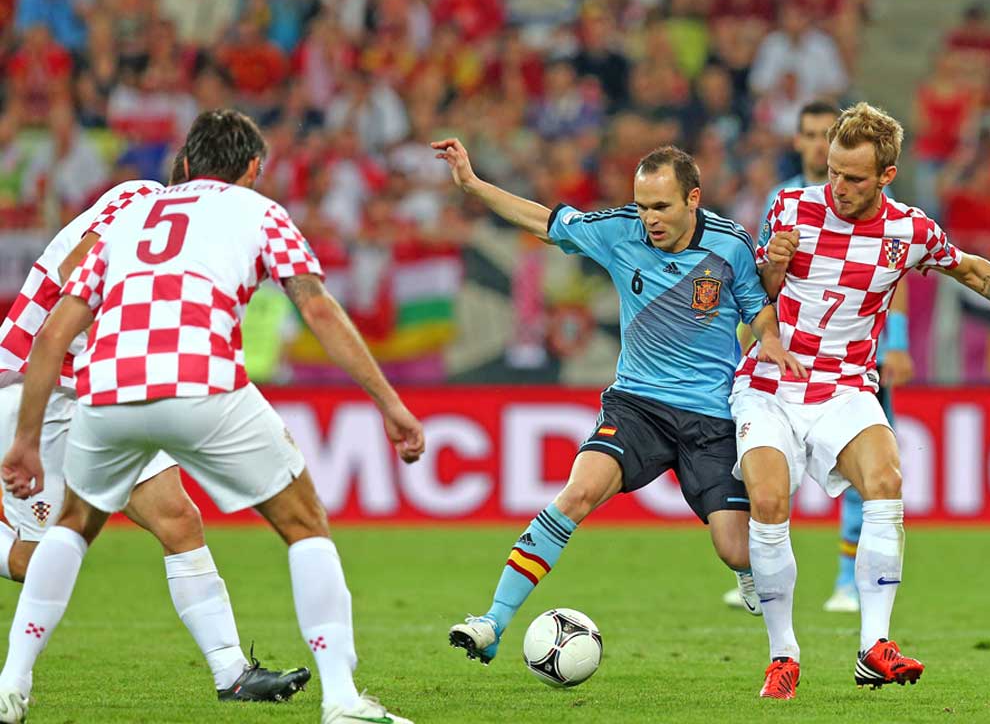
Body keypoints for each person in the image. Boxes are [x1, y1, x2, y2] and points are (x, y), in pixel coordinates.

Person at [0, 110, 426, 724]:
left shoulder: (137, 214)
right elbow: (319, 308)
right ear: (252, 170)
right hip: (71, 382)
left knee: (154, 520)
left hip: (100, 382)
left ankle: (225, 672)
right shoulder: (239, 209)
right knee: (304, 520)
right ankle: (342, 698)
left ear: (187, 164)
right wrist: (390, 403)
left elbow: (67, 309)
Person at [432, 137, 806, 664]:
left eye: (661, 206)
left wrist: (768, 338)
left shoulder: (730, 246)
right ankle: (492, 621)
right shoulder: (618, 231)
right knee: (576, 495)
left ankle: (747, 573)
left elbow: (757, 307)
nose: (648, 218)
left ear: (692, 199)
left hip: (711, 416)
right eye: (642, 205)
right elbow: (543, 220)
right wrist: (472, 184)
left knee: (735, 548)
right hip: (637, 406)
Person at [734, 102, 990, 698]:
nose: (838, 186)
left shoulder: (910, 231)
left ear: (887, 175)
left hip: (845, 386)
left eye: (855, 178)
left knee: (886, 480)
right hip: (772, 383)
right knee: (766, 499)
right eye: (834, 172)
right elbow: (751, 296)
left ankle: (873, 647)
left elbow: (968, 270)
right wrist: (773, 268)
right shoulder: (790, 208)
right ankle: (783, 655)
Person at [0, 165, 310, 703]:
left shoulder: (180, 237)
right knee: (36, 558)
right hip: (35, 383)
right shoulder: (142, 197)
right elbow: (80, 266)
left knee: (180, 520)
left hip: (100, 392)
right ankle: (13, 684)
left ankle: (232, 673)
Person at [722, 100, 915, 614]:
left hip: (852, 364)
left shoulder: (882, 206)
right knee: (764, 474)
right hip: (782, 366)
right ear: (801, 143)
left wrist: (896, 342)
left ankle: (849, 580)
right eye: (806, 135)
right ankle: (755, 564)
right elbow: (757, 281)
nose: (811, 144)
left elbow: (897, 275)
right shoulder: (782, 202)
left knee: (872, 473)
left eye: (817, 133)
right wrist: (757, 332)